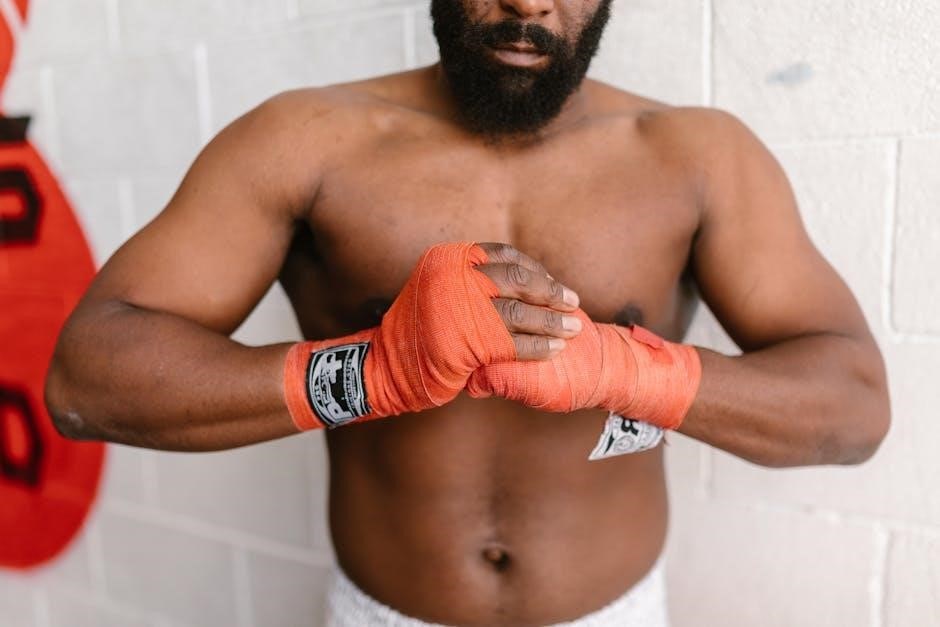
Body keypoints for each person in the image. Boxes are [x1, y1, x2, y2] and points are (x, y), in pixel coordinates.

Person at [45, 0, 891, 625]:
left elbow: (854, 405)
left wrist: (628, 369)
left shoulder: (698, 157)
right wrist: (371, 371)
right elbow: (86, 378)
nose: (528, 4)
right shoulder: (304, 141)